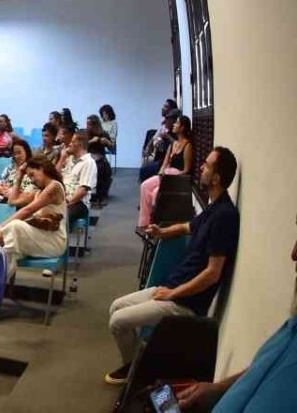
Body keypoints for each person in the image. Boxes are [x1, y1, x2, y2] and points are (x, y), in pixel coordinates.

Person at [105, 147, 240, 385]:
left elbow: (212, 273)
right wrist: (162, 232)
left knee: (118, 322)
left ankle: (136, 372)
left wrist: (172, 294)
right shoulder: (214, 208)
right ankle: (142, 361)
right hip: (172, 288)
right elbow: (188, 227)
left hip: (184, 304)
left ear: (217, 177)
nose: (201, 167)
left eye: (207, 165)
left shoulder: (224, 216)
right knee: (116, 307)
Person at [175, 224, 296, 412]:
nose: (294, 254)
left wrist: (171, 294)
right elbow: (262, 369)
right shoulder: (292, 325)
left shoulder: (223, 217)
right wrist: (219, 389)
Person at [0, 155, 67, 275]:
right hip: (41, 236)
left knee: (15, 226)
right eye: (29, 177)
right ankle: (1, 276)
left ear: (42, 168)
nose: (32, 180)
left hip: (54, 241)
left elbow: (27, 210)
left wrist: (1, 227)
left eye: (32, 175)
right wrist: (19, 176)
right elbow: (12, 201)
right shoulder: (38, 192)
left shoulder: (55, 187)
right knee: (12, 244)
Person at [137, 115, 194, 228]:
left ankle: (155, 223)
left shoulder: (187, 146)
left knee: (155, 193)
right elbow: (165, 163)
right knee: (144, 186)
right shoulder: (173, 144)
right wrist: (161, 173)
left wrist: (172, 176)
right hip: (166, 174)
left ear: (182, 128)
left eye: (177, 123)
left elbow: (187, 170)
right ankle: (144, 221)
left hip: (175, 179)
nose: (174, 125)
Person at [61, 131, 96, 227]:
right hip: (61, 199)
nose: (69, 144)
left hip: (78, 203)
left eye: (72, 142)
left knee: (60, 218)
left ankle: (59, 241)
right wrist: (61, 158)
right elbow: (55, 177)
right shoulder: (69, 160)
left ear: (79, 144)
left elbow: (83, 191)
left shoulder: (88, 162)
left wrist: (66, 203)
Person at [141, 101, 181, 180]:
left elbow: (176, 147)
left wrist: (166, 136)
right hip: (159, 157)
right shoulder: (164, 127)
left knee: (144, 171)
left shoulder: (175, 132)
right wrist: (149, 147)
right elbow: (155, 138)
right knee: (144, 169)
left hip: (165, 161)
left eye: (166, 107)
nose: (162, 108)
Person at [0, 139, 37, 206]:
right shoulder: (10, 168)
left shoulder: (33, 171)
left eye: (19, 153)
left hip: (20, 205)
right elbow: (0, 185)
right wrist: (2, 190)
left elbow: (27, 195)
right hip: (4, 200)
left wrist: (12, 192)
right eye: (14, 154)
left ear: (27, 152)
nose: (16, 156)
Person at [90, 139, 113, 207]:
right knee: (98, 167)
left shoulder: (103, 134)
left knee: (104, 169)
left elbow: (111, 147)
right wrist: (91, 141)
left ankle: (101, 196)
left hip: (100, 159)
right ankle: (96, 197)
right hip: (88, 157)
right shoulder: (85, 133)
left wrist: (108, 143)